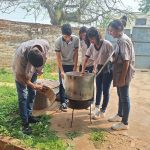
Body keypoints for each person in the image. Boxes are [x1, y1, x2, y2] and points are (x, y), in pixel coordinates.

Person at [12, 39, 50, 134]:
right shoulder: (20, 56)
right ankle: (25, 123)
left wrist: (39, 70)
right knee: (23, 97)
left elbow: (45, 58)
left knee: (32, 93)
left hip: (32, 71)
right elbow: (20, 75)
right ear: (29, 61)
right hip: (21, 73)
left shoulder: (45, 45)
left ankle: (29, 115)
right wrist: (34, 85)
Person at [108, 17, 135, 130]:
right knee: (120, 94)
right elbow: (119, 56)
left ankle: (125, 123)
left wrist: (123, 78)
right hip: (119, 72)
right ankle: (120, 115)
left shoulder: (123, 40)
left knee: (124, 96)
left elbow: (126, 61)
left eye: (111, 30)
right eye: (109, 30)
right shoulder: (120, 39)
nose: (110, 32)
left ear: (118, 30)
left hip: (124, 72)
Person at [81, 27, 113, 120]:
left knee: (105, 90)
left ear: (98, 36)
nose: (91, 40)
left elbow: (113, 57)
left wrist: (110, 65)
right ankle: (97, 107)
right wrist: (83, 69)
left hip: (107, 69)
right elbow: (86, 58)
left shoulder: (107, 44)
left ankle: (103, 110)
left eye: (93, 38)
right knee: (98, 88)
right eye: (89, 38)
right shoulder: (91, 45)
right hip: (98, 68)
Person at [55, 24, 79, 112]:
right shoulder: (58, 41)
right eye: (65, 36)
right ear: (62, 34)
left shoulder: (76, 39)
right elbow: (58, 57)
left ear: (71, 34)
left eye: (69, 36)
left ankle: (70, 99)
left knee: (72, 83)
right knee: (62, 83)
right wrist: (61, 71)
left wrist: (75, 67)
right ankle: (63, 102)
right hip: (63, 64)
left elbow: (76, 54)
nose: (67, 38)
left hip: (72, 64)